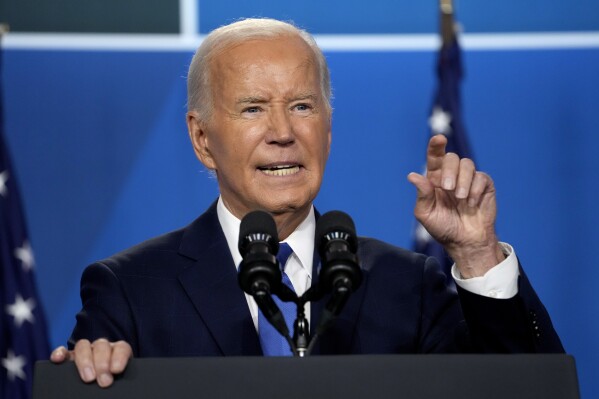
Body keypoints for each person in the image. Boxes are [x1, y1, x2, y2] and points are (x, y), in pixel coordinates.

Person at [50, 18, 564, 388]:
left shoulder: (410, 285)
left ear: (328, 128)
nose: (282, 133)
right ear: (202, 138)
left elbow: (519, 389)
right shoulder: (130, 290)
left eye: (301, 106)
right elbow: (89, 375)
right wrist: (88, 373)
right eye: (253, 109)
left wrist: (477, 254)